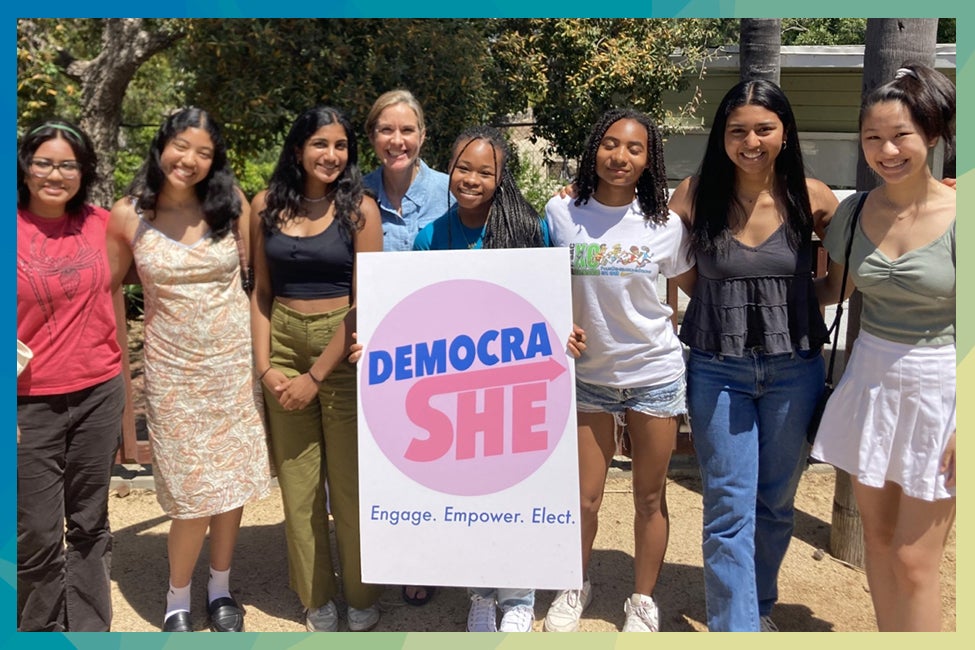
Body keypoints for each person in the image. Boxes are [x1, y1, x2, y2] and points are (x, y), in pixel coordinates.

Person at [668, 79, 838, 631]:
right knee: (727, 510)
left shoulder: (812, 198)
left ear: (785, 132)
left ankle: (758, 606)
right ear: (722, 136)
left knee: (774, 505)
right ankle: (735, 630)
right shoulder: (693, 196)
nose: (751, 141)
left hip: (796, 370)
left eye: (764, 128)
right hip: (718, 369)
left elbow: (841, 281)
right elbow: (684, 276)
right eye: (737, 130)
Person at [106, 107, 272, 632]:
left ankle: (220, 588)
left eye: (204, 152)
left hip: (231, 369)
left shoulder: (231, 205)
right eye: (182, 145)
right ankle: (178, 596)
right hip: (172, 374)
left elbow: (252, 285)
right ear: (161, 145)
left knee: (229, 487)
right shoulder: (127, 215)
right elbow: (104, 291)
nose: (191, 160)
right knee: (188, 492)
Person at [811, 62, 956, 632]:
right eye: (873, 137)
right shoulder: (855, 211)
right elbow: (833, 289)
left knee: (917, 562)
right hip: (871, 378)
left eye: (901, 136)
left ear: (934, 135)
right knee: (878, 543)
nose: (886, 150)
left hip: (942, 386)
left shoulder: (959, 214)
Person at [543, 108, 695, 633]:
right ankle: (573, 582)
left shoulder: (666, 226)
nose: (621, 157)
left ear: (649, 159)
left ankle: (642, 599)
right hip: (588, 377)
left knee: (650, 496)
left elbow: (698, 284)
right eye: (611, 144)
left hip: (654, 370)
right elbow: (538, 285)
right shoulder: (561, 213)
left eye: (635, 148)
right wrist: (556, 326)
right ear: (594, 150)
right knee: (584, 496)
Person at [250, 105, 383, 632]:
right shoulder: (265, 206)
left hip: (343, 353)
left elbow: (365, 301)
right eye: (320, 144)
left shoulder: (360, 210)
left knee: (351, 486)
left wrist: (315, 376)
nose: (331, 155)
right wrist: (266, 369)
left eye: (341, 145)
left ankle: (362, 593)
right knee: (299, 487)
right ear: (298, 149)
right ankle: (316, 596)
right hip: (282, 343)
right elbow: (260, 292)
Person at [16, 119, 125, 632]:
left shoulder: (105, 223)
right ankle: (39, 632)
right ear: (24, 166)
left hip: (99, 393)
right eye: (43, 162)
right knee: (35, 532)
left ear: (84, 171)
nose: (54, 174)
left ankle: (88, 632)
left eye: (67, 165)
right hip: (26, 403)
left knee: (89, 524)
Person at [362, 89, 453, 607]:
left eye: (407, 130)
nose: (397, 140)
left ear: (422, 135)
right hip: (381, 352)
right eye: (386, 130)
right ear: (372, 135)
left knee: (437, 459)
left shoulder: (449, 189)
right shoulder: (356, 194)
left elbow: (507, 218)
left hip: (444, 348)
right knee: (392, 459)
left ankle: (438, 555)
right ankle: (403, 555)